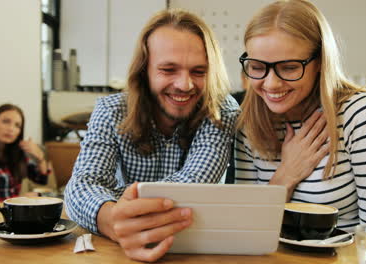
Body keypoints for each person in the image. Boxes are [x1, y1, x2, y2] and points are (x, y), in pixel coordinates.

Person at [64, 9, 238, 262]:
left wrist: (119, 201)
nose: (185, 85)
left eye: (199, 72)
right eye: (168, 70)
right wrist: (113, 220)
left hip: (196, 251)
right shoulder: (111, 110)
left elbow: (196, 185)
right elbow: (81, 184)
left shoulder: (223, 111)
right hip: (120, 252)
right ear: (144, 71)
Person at [234, 0, 366, 232]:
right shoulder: (248, 123)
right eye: (257, 67)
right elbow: (246, 231)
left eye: (289, 67)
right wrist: (284, 177)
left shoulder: (364, 115)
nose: (271, 83)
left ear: (320, 63)